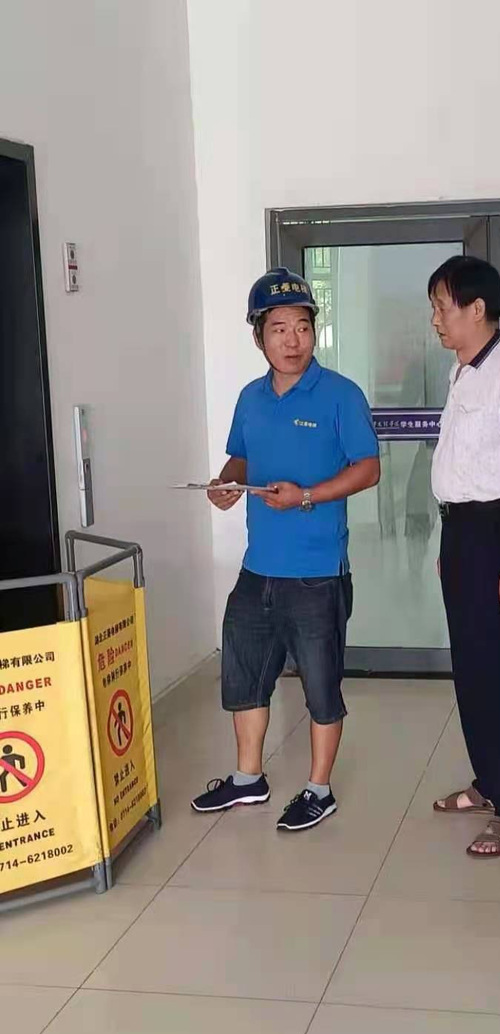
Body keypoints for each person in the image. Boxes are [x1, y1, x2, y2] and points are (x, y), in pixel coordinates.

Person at [191, 267, 380, 832]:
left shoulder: (341, 394)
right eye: (279, 329)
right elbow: (241, 458)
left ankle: (320, 789)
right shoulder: (250, 399)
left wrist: (307, 497)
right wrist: (226, 484)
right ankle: (248, 778)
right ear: (259, 337)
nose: (293, 340)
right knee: (244, 674)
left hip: (318, 570)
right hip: (258, 568)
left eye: (302, 327)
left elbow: (368, 469)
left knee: (321, 687)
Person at [429, 255, 500, 858]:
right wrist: (449, 544)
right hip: (463, 532)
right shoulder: (463, 371)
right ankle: (489, 782)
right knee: (471, 668)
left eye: (443, 308)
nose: (436, 320)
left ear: (478, 309)